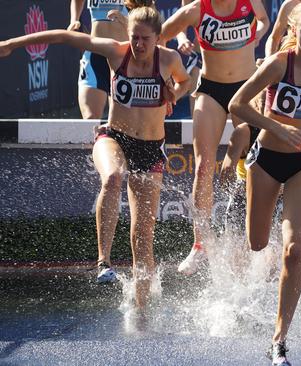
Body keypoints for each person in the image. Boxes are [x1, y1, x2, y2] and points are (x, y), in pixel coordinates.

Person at [0, 5, 191, 311]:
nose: (139, 45)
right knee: (113, 177)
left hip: (150, 148)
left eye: (145, 39)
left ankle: (140, 311)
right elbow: (64, 37)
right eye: (134, 38)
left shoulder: (169, 59)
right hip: (114, 136)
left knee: (143, 239)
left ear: (158, 38)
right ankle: (103, 260)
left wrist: (175, 94)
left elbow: (186, 81)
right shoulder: (116, 52)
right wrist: (12, 44)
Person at [229, 2, 301, 364]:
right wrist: (277, 126)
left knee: (294, 251)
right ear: (294, 32)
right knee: (257, 243)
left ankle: (279, 338)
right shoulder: (280, 64)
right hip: (266, 161)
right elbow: (237, 104)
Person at [159, 0, 269, 275]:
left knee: (255, 165)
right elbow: (159, 36)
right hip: (210, 90)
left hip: (245, 89)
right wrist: (164, 78)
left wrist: (257, 35)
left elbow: (265, 20)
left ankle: (256, 241)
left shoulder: (249, 2)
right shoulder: (197, 9)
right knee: (204, 166)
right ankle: (200, 245)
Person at [69, 0, 155, 283]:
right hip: (97, 55)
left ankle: (137, 271)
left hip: (125, 59)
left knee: (130, 128)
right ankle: (106, 177)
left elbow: (151, 23)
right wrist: (75, 18)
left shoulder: (143, 29)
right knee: (93, 123)